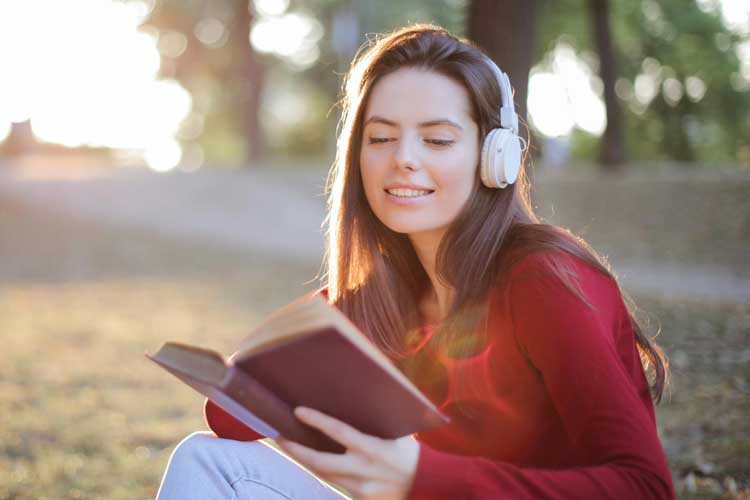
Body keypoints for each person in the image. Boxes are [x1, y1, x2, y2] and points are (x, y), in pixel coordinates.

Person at [155, 24, 675, 499]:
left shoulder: (545, 279)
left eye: (438, 139)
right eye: (380, 138)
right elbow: (228, 420)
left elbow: (645, 487)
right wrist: (327, 320)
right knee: (209, 461)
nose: (403, 157)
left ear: (494, 158)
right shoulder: (387, 297)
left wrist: (418, 476)